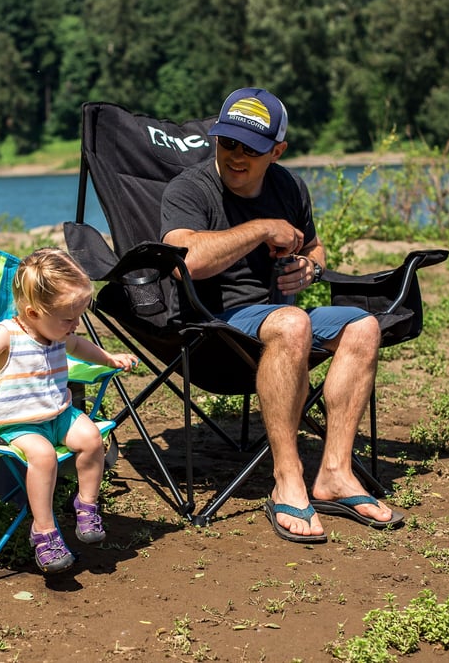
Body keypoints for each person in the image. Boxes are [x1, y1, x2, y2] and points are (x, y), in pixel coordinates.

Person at [160, 87, 405, 543]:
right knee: (294, 323)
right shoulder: (190, 188)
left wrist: (310, 269)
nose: (236, 155)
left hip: (280, 320)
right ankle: (287, 480)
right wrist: (260, 229)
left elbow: (315, 248)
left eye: (251, 149)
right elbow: (184, 259)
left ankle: (334, 474)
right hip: (211, 328)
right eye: (228, 142)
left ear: (277, 151)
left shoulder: (289, 186)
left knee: (363, 325)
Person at [0, 248, 138, 572]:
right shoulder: (8, 334)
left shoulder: (60, 334)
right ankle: (43, 529)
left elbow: (80, 346)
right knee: (43, 456)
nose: (75, 324)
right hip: (18, 424)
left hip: (58, 414)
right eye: (69, 318)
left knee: (92, 438)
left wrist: (108, 358)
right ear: (33, 312)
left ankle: (86, 503)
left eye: (78, 316)